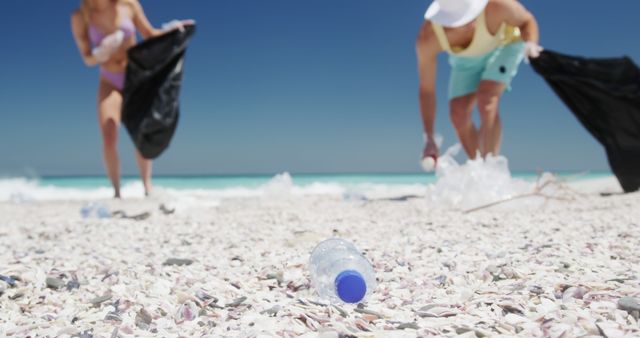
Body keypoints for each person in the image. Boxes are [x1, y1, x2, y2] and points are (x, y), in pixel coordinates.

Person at [71, 0, 188, 198]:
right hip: (109, 80)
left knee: (143, 132)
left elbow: (149, 34)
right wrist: (99, 54)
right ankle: (117, 192)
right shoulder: (80, 16)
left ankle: (147, 186)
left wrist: (172, 30)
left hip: (135, 78)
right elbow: (86, 58)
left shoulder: (129, 4)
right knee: (109, 134)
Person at [416, 0, 541, 168]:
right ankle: (478, 169)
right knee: (458, 114)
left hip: (504, 45)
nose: (472, 22)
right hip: (466, 59)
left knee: (487, 99)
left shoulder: (497, 6)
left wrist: (530, 43)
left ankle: (491, 166)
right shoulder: (428, 38)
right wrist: (429, 138)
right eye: (462, 21)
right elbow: (427, 91)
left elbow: (527, 20)